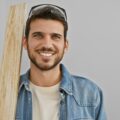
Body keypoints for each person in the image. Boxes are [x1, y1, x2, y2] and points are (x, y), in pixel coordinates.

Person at [16, 4, 107, 120]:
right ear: (25, 42)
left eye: (55, 37)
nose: (47, 45)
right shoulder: (6, 92)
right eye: (38, 36)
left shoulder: (90, 93)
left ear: (65, 45)